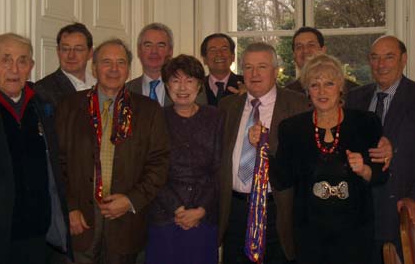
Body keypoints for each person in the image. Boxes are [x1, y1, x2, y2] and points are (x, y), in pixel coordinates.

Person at [55, 39, 169, 264]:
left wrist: (131, 200)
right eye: (106, 62)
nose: (114, 69)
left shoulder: (148, 110)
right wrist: (69, 207)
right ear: (94, 68)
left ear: (128, 69)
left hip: (126, 221)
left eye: (121, 62)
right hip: (81, 220)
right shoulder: (70, 106)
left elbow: (159, 163)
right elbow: (57, 163)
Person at [271, 54, 388, 264]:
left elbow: (382, 175)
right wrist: (260, 147)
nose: (322, 91)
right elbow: (282, 179)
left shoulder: (366, 123)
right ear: (307, 90)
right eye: (314, 85)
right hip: (309, 235)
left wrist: (364, 170)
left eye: (329, 83)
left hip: (355, 234)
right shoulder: (292, 128)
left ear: (340, 87)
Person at [0, 33, 70, 264]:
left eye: (22, 60)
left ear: (31, 66)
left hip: (37, 235)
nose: (15, 68)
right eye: (6, 60)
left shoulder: (41, 103)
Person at [218, 42, 308, 264]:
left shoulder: (298, 105)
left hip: (278, 210)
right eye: (248, 67)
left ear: (276, 71)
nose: (254, 74)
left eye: (262, 67)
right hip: (235, 211)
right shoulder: (227, 106)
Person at [145, 55, 223, 264]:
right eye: (175, 80)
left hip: (204, 217)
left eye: (189, 81)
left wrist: (201, 209)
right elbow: (152, 170)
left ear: (199, 86)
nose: (182, 87)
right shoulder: (155, 118)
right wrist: (177, 209)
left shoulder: (215, 117)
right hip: (164, 216)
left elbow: (219, 169)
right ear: (167, 85)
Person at [346, 35, 415, 264]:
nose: (380, 64)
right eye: (375, 58)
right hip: (359, 215)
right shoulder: (355, 98)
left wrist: (413, 198)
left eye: (389, 57)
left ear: (403, 59)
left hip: (400, 212)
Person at [127, 22, 206, 106]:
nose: (154, 51)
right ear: (139, 50)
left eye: (161, 45)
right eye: (148, 45)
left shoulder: (192, 89)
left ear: (170, 51)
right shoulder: (126, 90)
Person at [35, 22, 95, 110]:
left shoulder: (99, 85)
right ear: (58, 51)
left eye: (78, 49)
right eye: (65, 49)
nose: (71, 55)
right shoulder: (43, 89)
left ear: (90, 53)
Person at [286, 26, 358, 94]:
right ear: (294, 55)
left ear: (323, 50)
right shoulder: (287, 93)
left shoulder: (353, 91)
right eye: (299, 47)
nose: (305, 51)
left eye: (311, 45)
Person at [200, 33, 243, 106]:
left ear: (233, 57)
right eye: (213, 50)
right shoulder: (197, 87)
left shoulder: (245, 85)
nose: (219, 54)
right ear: (204, 59)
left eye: (224, 49)